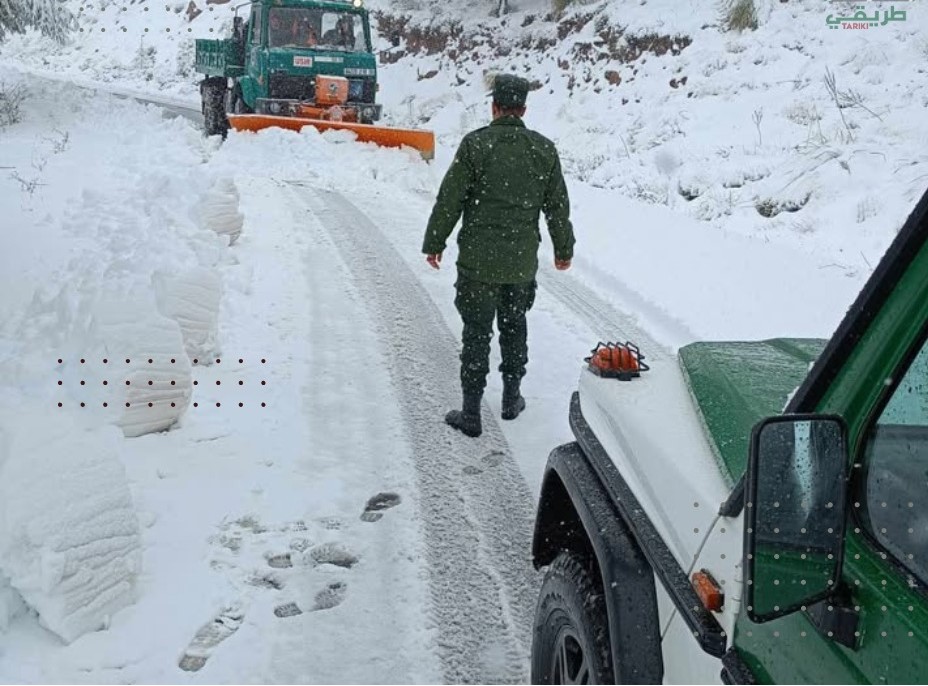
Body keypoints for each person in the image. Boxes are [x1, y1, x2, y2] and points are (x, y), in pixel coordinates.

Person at [422, 74, 575, 438]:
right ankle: (511, 397)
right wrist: (563, 249)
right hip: (520, 262)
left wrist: (435, 242)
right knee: (514, 324)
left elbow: (451, 199)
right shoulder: (543, 150)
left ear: (494, 107)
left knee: (476, 332)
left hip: (478, 262)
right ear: (522, 108)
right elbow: (557, 207)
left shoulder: (476, 145)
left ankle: (471, 411)